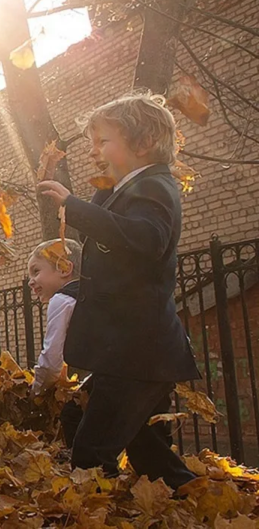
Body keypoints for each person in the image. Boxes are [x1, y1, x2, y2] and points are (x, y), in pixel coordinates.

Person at [39, 92, 200, 489]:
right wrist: (92, 196)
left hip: (140, 349)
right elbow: (110, 227)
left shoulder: (157, 186)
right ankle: (191, 497)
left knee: (91, 452)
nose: (95, 151)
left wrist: (76, 207)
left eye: (104, 141)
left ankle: (96, 509)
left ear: (142, 144)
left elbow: (148, 239)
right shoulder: (121, 187)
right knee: (143, 450)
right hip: (131, 350)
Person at [26, 238, 83, 395]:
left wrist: (36, 391)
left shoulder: (62, 300)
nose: (30, 282)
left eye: (36, 271)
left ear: (64, 269)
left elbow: (52, 361)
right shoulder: (89, 295)